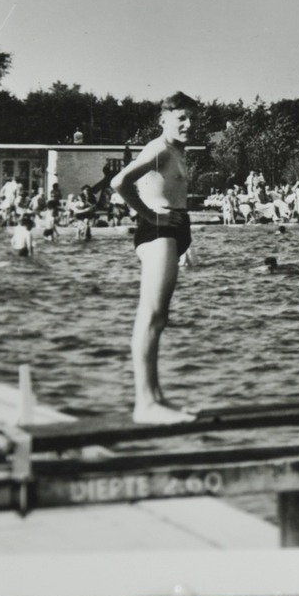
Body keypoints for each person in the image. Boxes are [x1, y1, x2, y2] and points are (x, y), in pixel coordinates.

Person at [112, 93, 198, 424]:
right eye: (181, 119)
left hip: (171, 231)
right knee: (150, 316)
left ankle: (156, 397)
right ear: (164, 120)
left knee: (159, 318)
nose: (189, 125)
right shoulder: (159, 148)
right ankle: (144, 403)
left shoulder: (177, 150)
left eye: (192, 119)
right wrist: (152, 217)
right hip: (158, 232)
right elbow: (120, 182)